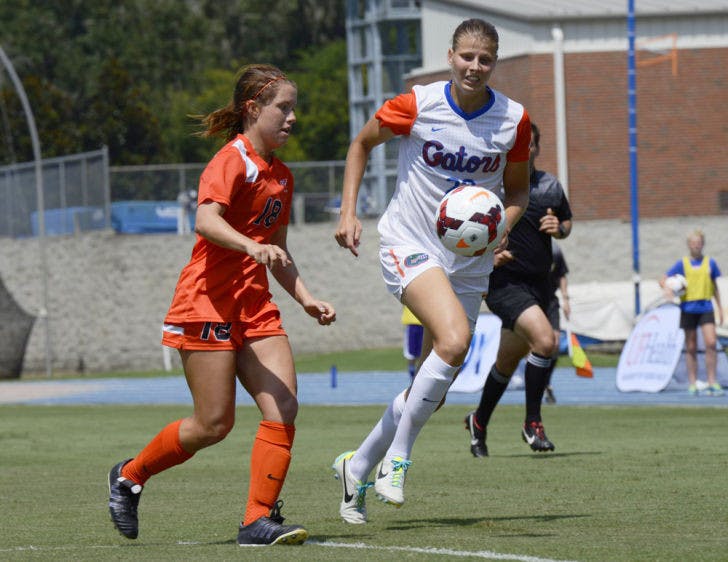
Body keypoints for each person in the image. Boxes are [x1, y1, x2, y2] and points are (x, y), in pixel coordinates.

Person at [107, 64, 336, 547]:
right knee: (214, 424)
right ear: (253, 109)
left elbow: (279, 250)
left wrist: (307, 298)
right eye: (284, 108)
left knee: (284, 407)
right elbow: (206, 221)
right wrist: (251, 247)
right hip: (206, 304)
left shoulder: (282, 177)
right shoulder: (231, 160)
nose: (293, 118)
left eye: (294, 108)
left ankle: (256, 519)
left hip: (256, 307)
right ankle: (129, 475)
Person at [333, 18, 531, 524]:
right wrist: (348, 211)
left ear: (495, 62)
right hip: (410, 241)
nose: (474, 66)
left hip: (470, 260)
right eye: (467, 56)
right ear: (451, 55)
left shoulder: (513, 119)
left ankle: (355, 467)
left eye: (484, 59)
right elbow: (360, 144)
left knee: (432, 388)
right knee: (455, 337)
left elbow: (518, 192)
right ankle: (397, 461)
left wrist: (501, 226)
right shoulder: (418, 104)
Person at [464, 121, 573, 458]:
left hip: (542, 286)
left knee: (507, 361)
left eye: (531, 145)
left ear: (537, 148)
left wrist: (561, 228)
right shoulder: (490, 189)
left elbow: (566, 221)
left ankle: (478, 421)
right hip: (505, 284)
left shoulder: (549, 186)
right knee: (545, 341)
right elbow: (464, 236)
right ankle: (533, 423)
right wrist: (488, 255)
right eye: (521, 145)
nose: (527, 151)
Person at [660, 230, 723, 396]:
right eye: (693, 242)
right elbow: (664, 279)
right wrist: (667, 288)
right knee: (691, 346)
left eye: (699, 242)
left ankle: (712, 381)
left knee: (711, 343)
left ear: (703, 244)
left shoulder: (710, 263)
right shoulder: (682, 264)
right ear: (689, 245)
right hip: (688, 308)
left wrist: (721, 308)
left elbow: (714, 287)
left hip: (706, 307)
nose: (696, 245)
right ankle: (693, 382)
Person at [543, 240, 571, 404]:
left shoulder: (555, 248)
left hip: (551, 302)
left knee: (555, 344)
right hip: (531, 300)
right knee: (537, 344)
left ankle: (546, 382)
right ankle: (538, 382)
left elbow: (561, 275)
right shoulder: (527, 245)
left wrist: (566, 299)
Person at [401, 305, 424, 380]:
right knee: (411, 353)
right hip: (412, 323)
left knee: (424, 352)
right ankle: (412, 373)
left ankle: (420, 374)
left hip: (425, 324)